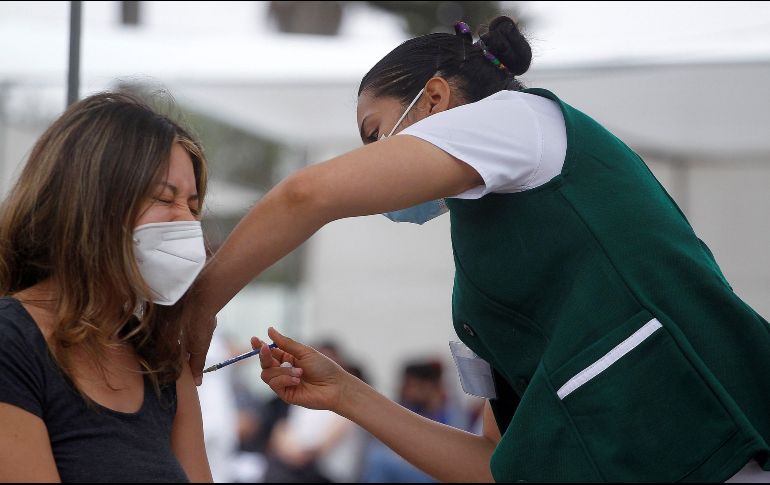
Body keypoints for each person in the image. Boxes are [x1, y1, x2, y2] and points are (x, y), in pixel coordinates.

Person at [185, 16, 770, 483]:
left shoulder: (522, 122)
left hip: (720, 455)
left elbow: (306, 194)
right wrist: (347, 395)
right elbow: (497, 464)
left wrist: (194, 310)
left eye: (374, 134)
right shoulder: (478, 290)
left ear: (435, 99)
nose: (370, 157)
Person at [0, 92, 213, 482]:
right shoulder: (12, 342)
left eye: (193, 207)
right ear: (93, 203)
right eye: (164, 198)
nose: (186, 223)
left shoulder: (161, 362)